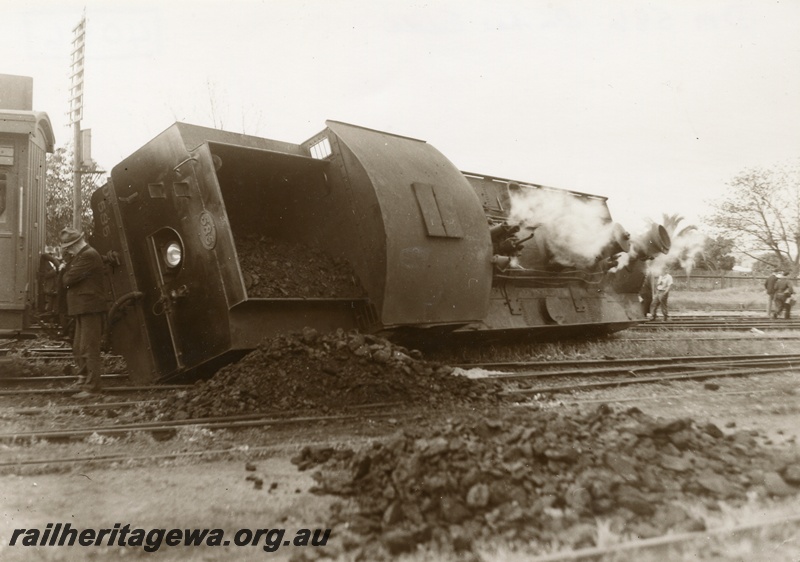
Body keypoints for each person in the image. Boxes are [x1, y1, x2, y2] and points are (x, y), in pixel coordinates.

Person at [59, 227, 109, 397]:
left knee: (89, 347)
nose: (68, 251)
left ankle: (93, 388)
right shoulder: (83, 256)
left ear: (75, 244)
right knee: (79, 346)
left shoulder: (88, 256)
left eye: (69, 247)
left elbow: (68, 280)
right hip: (84, 308)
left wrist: (64, 268)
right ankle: (85, 380)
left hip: (90, 307)